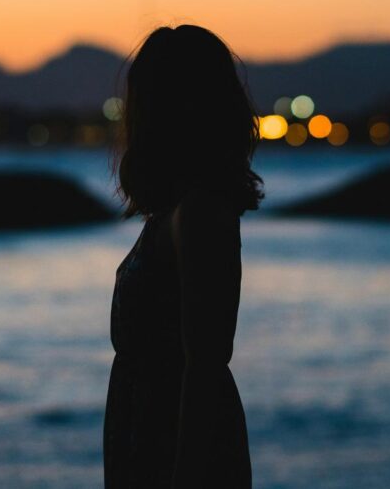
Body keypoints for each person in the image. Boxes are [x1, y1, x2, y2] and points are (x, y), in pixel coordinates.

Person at [104, 25, 262, 488]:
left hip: (175, 453)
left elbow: (206, 361)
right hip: (149, 439)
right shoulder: (174, 212)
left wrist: (185, 476)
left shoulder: (199, 214)